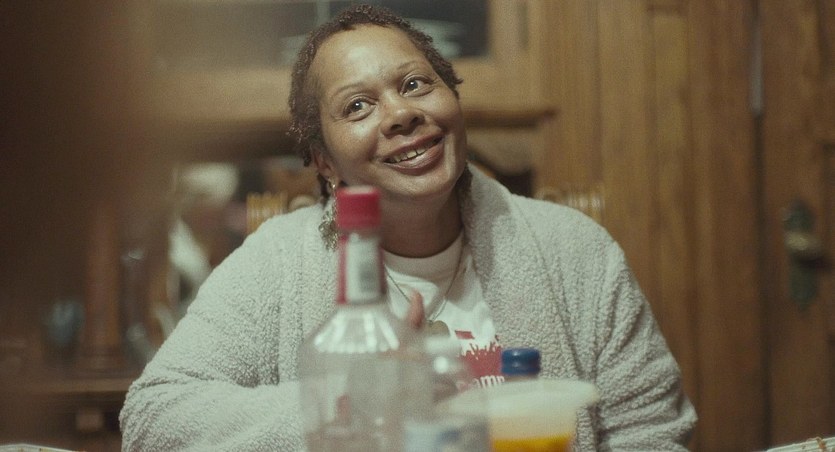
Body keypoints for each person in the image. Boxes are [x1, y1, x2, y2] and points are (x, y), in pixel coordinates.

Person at [120, 4, 697, 450]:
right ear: (324, 161)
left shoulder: (574, 252)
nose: (400, 114)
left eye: (416, 84)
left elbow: (651, 433)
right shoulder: (277, 263)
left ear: (453, 99)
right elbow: (155, 420)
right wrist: (355, 402)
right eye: (357, 106)